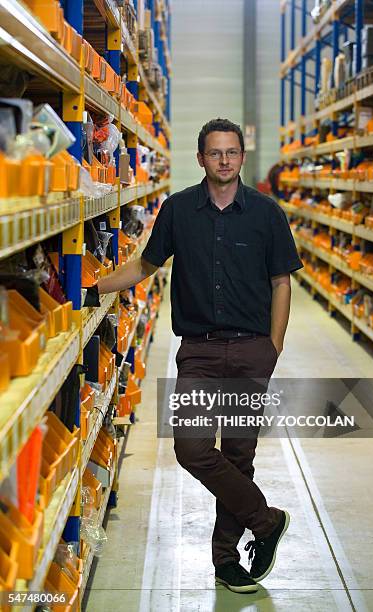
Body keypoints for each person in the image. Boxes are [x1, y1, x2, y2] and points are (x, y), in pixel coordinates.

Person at [97, 118, 303, 594]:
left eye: (232, 152)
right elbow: (146, 266)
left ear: (242, 157)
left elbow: (281, 283)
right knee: (191, 449)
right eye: (216, 153)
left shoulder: (267, 213)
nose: (225, 160)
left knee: (238, 454)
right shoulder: (178, 210)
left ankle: (226, 562)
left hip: (252, 350)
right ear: (201, 158)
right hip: (200, 353)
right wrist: (93, 288)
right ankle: (266, 521)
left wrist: (273, 348)